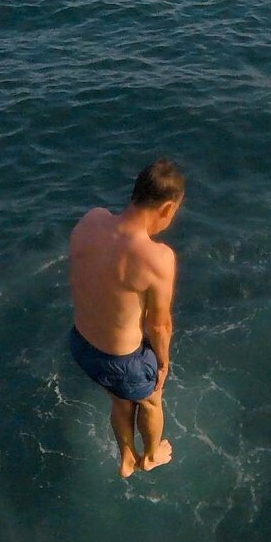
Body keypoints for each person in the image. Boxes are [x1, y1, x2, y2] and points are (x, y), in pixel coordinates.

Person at [68, 159, 184, 477]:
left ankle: (125, 457)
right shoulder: (157, 258)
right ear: (167, 207)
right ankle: (148, 456)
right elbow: (160, 325)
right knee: (151, 399)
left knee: (121, 399)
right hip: (120, 360)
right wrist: (163, 363)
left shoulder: (92, 219)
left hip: (81, 345)